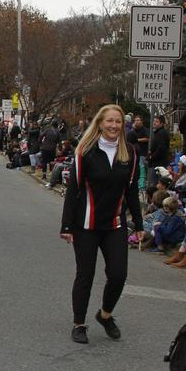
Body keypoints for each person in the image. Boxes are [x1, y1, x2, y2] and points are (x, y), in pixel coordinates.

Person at [60, 104, 144, 344]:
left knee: (118, 274)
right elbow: (73, 190)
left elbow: (131, 192)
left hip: (115, 224)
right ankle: (79, 323)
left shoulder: (130, 154)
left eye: (118, 122)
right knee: (85, 274)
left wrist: (138, 224)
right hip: (85, 224)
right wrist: (66, 226)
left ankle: (105, 315)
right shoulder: (85, 151)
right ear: (99, 123)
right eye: (109, 121)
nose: (114, 126)